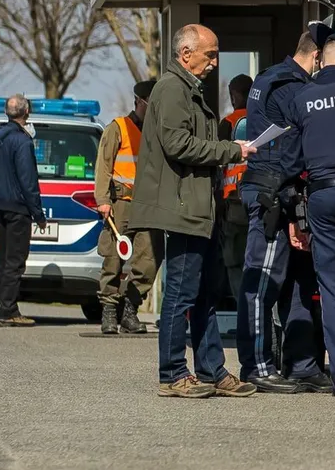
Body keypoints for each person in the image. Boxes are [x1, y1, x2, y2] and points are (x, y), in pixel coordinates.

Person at [129, 23, 256, 399]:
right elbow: (178, 144)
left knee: (204, 293)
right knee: (182, 293)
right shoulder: (171, 89)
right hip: (182, 207)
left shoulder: (188, 90)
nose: (215, 62)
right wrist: (232, 149)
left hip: (200, 206)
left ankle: (211, 370)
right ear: (186, 54)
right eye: (210, 54)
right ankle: (172, 374)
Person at [237, 32, 332, 395]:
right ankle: (257, 366)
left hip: (277, 189)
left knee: (296, 283)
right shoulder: (292, 86)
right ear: (318, 56)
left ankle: (302, 366)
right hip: (274, 193)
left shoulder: (271, 77)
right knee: (263, 282)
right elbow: (301, 142)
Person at [290, 33, 335, 399]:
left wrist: (294, 212)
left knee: (334, 291)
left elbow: (291, 158)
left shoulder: (302, 97)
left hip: (321, 196)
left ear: (322, 60)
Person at [94, 79, 163, 335]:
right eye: (150, 104)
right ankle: (109, 310)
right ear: (139, 101)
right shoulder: (118, 128)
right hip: (120, 203)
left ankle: (130, 307)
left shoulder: (157, 132)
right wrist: (102, 200)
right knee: (113, 258)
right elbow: (104, 165)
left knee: (150, 258)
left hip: (149, 206)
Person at [0, 94, 45, 328]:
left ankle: (6, 307)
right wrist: (38, 214)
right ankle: (8, 311)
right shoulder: (23, 141)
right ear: (26, 112)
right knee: (15, 261)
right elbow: (28, 182)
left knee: (4, 259)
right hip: (17, 209)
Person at [219, 74, 253, 301]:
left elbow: (217, 162)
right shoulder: (263, 119)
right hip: (257, 199)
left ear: (237, 95)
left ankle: (243, 315)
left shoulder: (229, 123)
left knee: (233, 261)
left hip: (233, 202)